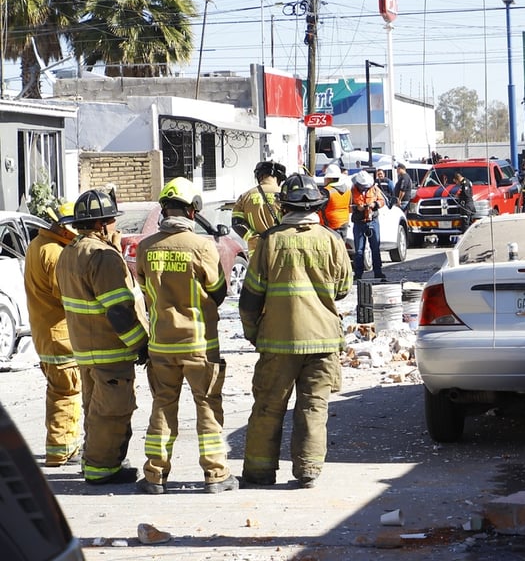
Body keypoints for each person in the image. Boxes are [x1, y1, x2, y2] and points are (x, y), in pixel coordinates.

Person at [239, 173, 352, 489]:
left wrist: (253, 332)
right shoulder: (332, 240)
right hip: (324, 341)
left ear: (283, 206)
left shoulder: (270, 241)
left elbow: (250, 297)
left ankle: (259, 473)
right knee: (314, 407)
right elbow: (343, 288)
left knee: (267, 407)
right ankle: (307, 470)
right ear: (317, 205)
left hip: (278, 342)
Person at [135, 178, 236, 495]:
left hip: (161, 344)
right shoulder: (203, 246)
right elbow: (218, 291)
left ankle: (154, 475)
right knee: (207, 405)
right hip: (199, 345)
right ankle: (216, 474)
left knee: (163, 407)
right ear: (192, 212)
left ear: (164, 210)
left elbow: (143, 289)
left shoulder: (146, 247)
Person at [56, 188, 148, 486]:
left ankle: (94, 461)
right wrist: (141, 344)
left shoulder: (69, 253)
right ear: (99, 225)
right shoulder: (103, 257)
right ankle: (102, 469)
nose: (115, 227)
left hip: (85, 350)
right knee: (113, 411)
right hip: (110, 351)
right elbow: (119, 311)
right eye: (111, 221)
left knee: (95, 409)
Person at [24, 201, 82, 468]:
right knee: (67, 392)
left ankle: (64, 445)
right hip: (61, 337)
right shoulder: (56, 254)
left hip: (44, 335)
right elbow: (68, 296)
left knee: (57, 390)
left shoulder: (37, 245)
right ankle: (61, 450)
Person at [232, 160, 286, 253]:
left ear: (259, 176)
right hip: (281, 251)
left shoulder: (245, 196)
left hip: (256, 254)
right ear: (279, 178)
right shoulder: (286, 195)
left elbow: (237, 223)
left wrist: (254, 238)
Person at [350, 171, 387, 280]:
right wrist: (357, 208)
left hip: (372, 221)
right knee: (359, 250)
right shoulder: (352, 190)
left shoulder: (374, 189)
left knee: (375, 248)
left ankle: (378, 272)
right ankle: (358, 274)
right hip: (359, 222)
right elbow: (348, 205)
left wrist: (374, 205)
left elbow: (382, 201)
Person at [319, 164, 352, 234]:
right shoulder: (348, 189)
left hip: (330, 225)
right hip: (344, 223)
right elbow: (350, 205)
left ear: (330, 178)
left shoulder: (326, 191)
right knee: (341, 244)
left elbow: (318, 207)